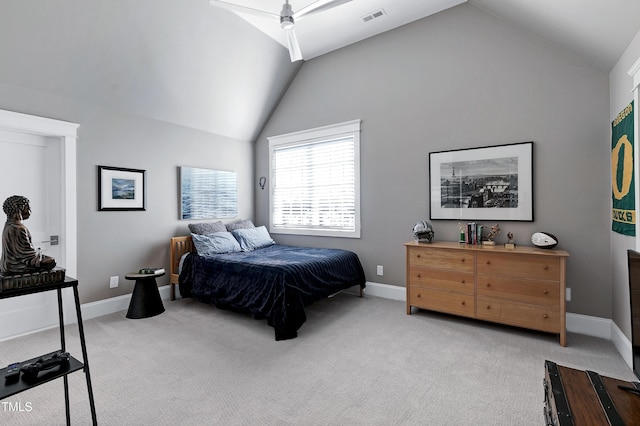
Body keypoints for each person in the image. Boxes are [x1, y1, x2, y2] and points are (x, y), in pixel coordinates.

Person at [0, 195, 56, 274]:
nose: (30, 211)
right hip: (17, 265)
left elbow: (24, 251)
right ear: (20, 208)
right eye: (28, 208)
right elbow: (27, 256)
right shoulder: (19, 228)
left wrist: (36, 253)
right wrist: (37, 256)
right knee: (52, 261)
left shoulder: (8, 225)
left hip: (7, 264)